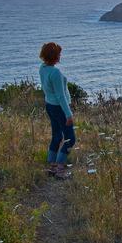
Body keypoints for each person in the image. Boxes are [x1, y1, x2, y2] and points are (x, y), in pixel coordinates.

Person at [39, 42, 75, 177]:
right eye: (59, 54)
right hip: (59, 108)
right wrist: (68, 114)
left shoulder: (42, 68)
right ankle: (60, 168)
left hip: (50, 105)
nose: (60, 56)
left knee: (57, 136)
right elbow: (61, 96)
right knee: (70, 139)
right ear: (54, 56)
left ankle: (52, 165)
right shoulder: (55, 73)